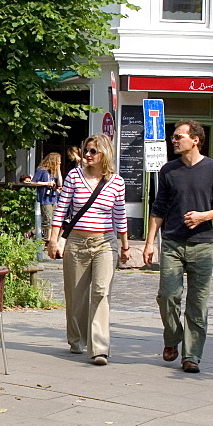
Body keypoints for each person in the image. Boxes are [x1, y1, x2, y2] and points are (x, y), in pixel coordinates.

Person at [142, 120, 213, 374]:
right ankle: (173, 337)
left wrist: (204, 216)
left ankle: (192, 355)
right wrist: (150, 242)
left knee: (198, 303)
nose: (174, 140)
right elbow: (159, 207)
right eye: (173, 137)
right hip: (172, 242)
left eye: (179, 136)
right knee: (168, 296)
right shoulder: (168, 170)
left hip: (203, 245)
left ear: (195, 140)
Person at [45, 135, 129, 365]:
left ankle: (99, 348)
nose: (87, 155)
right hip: (77, 243)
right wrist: (54, 240)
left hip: (105, 242)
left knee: (101, 292)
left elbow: (120, 215)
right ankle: (76, 338)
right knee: (76, 295)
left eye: (93, 151)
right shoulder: (74, 176)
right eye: (86, 151)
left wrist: (125, 246)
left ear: (105, 154)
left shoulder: (117, 182)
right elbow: (61, 210)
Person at [33, 152, 62, 240]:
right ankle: (48, 239)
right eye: (58, 161)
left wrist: (58, 171)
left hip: (53, 198)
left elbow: (60, 183)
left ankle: (32, 233)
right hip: (45, 198)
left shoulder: (54, 172)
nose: (59, 163)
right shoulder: (42, 170)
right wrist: (46, 183)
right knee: (48, 220)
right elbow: (33, 182)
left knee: (54, 220)